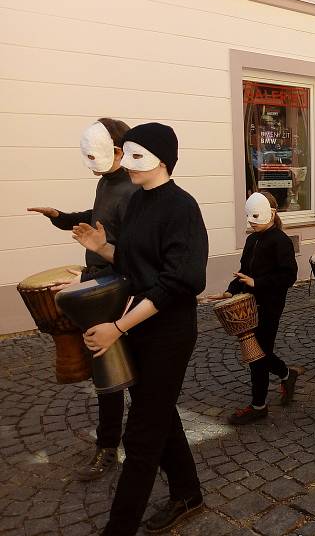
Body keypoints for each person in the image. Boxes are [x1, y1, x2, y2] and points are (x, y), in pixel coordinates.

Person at [72, 123, 208, 535]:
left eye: (135, 155)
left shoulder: (182, 207)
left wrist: (116, 326)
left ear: (162, 159)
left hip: (169, 331)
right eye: (124, 154)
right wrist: (102, 249)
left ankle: (120, 527)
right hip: (139, 328)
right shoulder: (137, 203)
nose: (125, 163)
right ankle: (187, 493)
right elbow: (135, 265)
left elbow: (178, 281)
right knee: (160, 415)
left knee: (144, 433)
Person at [28, 118, 138, 482]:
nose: (90, 162)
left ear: (119, 151)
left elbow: (135, 253)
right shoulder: (107, 183)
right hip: (99, 283)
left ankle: (144, 440)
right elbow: (95, 218)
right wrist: (60, 218)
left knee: (130, 371)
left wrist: (105, 256)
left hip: (121, 289)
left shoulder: (135, 191)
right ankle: (108, 444)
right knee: (104, 371)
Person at [204, 192, 299, 424]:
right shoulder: (251, 240)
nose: (252, 221)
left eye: (256, 216)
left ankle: (259, 405)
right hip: (248, 305)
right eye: (249, 217)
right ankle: (287, 374)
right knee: (258, 352)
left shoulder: (281, 241)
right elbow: (244, 272)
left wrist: (258, 283)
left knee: (258, 355)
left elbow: (288, 275)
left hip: (270, 306)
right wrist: (229, 291)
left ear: (272, 213)